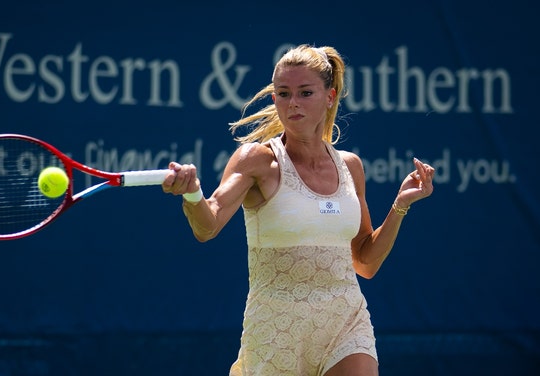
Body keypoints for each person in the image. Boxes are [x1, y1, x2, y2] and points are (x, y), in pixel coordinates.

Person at [161, 44, 435, 376]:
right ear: (274, 99)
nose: (293, 103)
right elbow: (208, 224)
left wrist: (399, 206)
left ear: (330, 96)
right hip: (275, 335)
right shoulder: (258, 161)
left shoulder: (351, 167)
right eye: (283, 93)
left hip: (345, 324)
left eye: (305, 93)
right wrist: (192, 195)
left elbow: (365, 261)